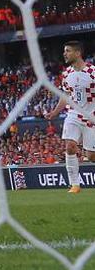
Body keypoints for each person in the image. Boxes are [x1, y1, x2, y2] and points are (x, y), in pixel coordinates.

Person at [54, 39, 95, 194]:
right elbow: (65, 95)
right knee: (70, 146)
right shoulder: (67, 74)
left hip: (91, 117)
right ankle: (75, 185)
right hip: (74, 115)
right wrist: (55, 112)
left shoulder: (92, 72)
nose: (64, 53)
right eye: (64, 51)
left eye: (68, 51)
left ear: (78, 53)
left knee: (91, 156)